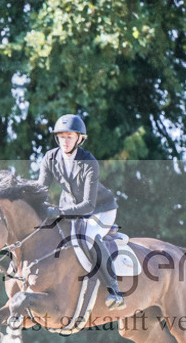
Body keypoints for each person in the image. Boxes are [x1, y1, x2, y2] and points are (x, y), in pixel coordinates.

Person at [34, 114, 125, 309]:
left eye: (69, 137)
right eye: (61, 137)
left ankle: (115, 291)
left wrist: (58, 211)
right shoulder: (50, 157)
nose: (64, 141)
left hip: (100, 209)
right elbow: (41, 190)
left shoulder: (88, 162)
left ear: (79, 138)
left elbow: (87, 206)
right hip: (68, 207)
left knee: (88, 237)